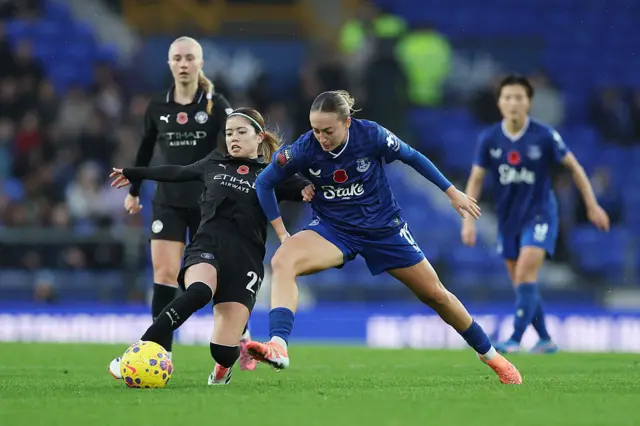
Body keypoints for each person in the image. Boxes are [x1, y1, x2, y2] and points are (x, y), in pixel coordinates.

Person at [250, 90, 522, 385]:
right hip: (334, 230)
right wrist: (281, 232)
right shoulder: (304, 149)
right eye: (315, 130)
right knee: (282, 260)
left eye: (328, 130)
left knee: (436, 296)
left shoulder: (371, 136)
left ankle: (491, 355)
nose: (321, 138)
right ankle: (278, 344)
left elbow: (413, 157)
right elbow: (264, 183)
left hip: (384, 229)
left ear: (347, 122)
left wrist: (451, 192)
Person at [108, 108, 312, 385]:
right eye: (229, 133)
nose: (234, 138)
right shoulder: (214, 163)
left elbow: (307, 188)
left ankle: (222, 368)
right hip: (208, 245)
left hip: (246, 259)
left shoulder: (272, 175)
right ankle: (132, 354)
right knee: (200, 291)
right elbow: (176, 172)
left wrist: (309, 188)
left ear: (259, 137)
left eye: (241, 132)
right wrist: (135, 173)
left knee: (224, 352)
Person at [125, 36, 256, 370]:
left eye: (189, 58)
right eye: (177, 58)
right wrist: (135, 189)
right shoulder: (156, 107)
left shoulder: (216, 104)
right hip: (167, 202)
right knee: (165, 272)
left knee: (216, 278)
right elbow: (145, 149)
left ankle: (239, 333)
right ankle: (158, 354)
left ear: (200, 64)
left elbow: (236, 144)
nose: (183, 64)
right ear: (169, 64)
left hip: (208, 205)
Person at [461, 74, 610, 354]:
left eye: (519, 97)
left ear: (529, 102)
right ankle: (545, 339)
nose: (513, 103)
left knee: (527, 272)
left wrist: (592, 205)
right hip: (508, 220)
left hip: (540, 214)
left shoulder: (544, 135)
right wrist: (468, 220)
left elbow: (575, 168)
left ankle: (514, 339)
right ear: (499, 103)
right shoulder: (490, 138)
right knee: (522, 282)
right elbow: (476, 179)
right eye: (507, 97)